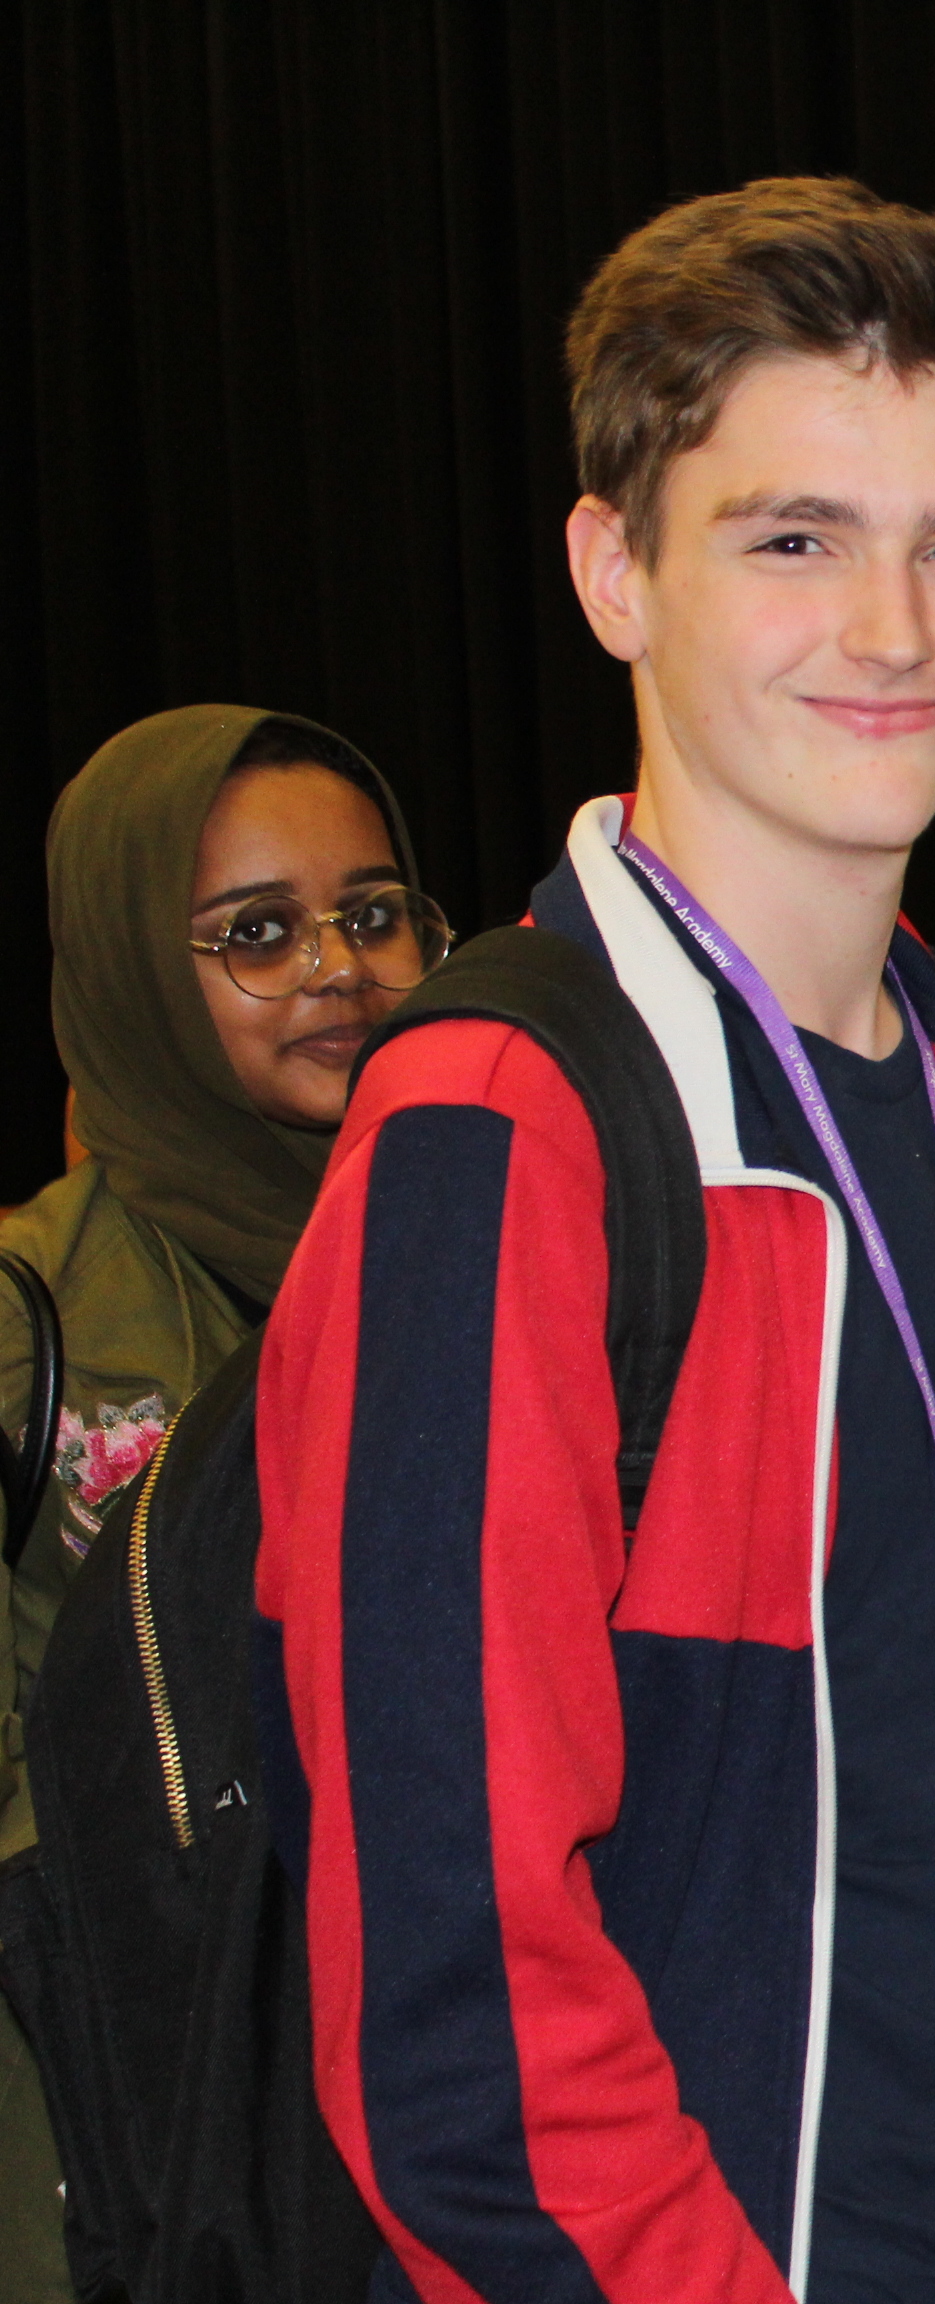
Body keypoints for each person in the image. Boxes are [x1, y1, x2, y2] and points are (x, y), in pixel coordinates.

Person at [256, 178, 935, 2302]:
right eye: (795, 540)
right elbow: (461, 2017)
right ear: (616, 572)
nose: (893, 631)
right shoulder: (502, 1129)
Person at [0, 703, 441, 2300]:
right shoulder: (35, 1320)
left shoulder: (481, 1247)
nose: (338, 966)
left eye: (375, 912)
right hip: (142, 2093)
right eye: (254, 933)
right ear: (130, 970)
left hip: (442, 2060)